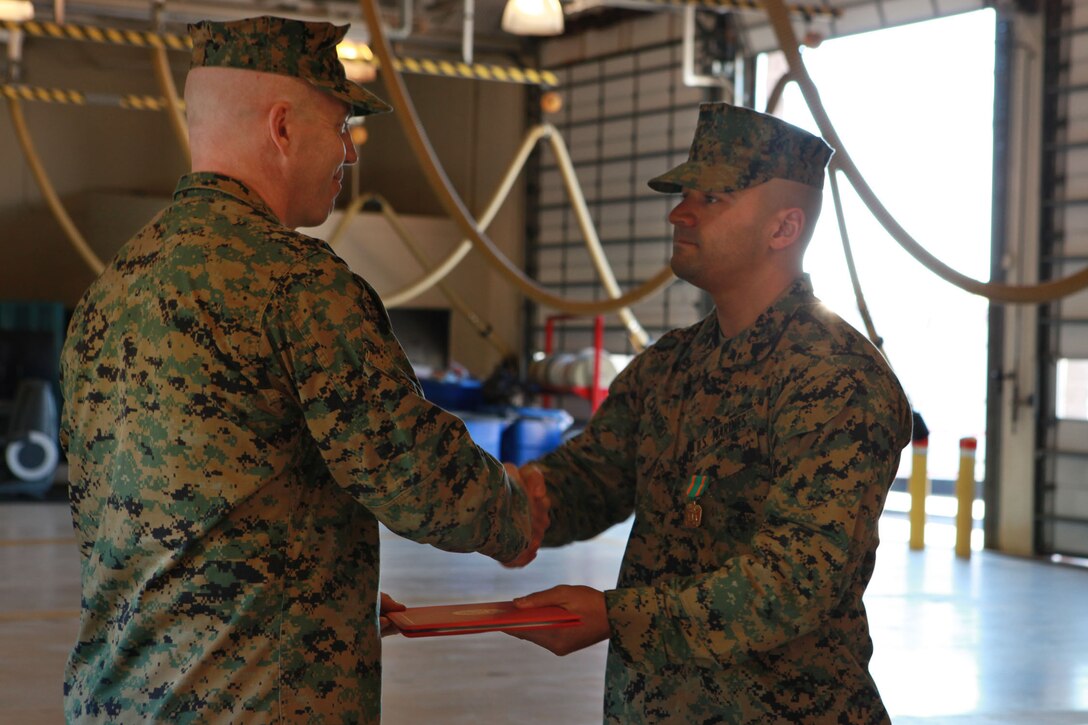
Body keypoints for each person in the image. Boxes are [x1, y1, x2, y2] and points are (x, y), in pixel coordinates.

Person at [59, 16, 545, 723]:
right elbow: (416, 475)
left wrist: (323, 586)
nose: (347, 153)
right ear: (282, 128)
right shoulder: (296, 285)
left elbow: (158, 506)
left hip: (118, 695)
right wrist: (513, 512)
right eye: (340, 126)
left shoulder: (110, 288)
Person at [508, 102, 913, 723]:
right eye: (684, 193)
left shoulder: (836, 378)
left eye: (713, 197)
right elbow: (583, 484)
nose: (680, 212)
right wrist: (480, 499)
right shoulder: (671, 365)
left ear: (784, 228)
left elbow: (793, 583)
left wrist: (615, 617)